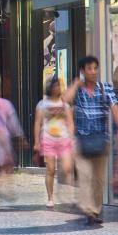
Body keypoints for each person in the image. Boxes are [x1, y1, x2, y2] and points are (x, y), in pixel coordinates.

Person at [66, 57, 118, 226]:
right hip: (82, 140)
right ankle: (88, 210)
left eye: (95, 68)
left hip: (100, 140)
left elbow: (115, 109)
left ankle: (95, 210)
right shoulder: (78, 90)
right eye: (89, 68)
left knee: (98, 179)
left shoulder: (105, 88)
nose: (93, 71)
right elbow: (65, 99)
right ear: (83, 71)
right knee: (84, 176)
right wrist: (76, 84)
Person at [0, 78, 26, 208]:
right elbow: (13, 123)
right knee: (6, 165)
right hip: (2, 137)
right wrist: (20, 137)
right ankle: (3, 187)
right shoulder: (6, 104)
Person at [34, 76, 74, 208]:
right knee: (50, 169)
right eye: (55, 85)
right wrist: (36, 142)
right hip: (48, 139)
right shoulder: (42, 104)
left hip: (64, 139)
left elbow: (70, 123)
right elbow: (37, 123)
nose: (57, 88)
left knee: (67, 168)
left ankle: (67, 193)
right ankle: (50, 197)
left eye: (59, 85)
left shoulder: (65, 105)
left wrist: (72, 137)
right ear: (50, 87)